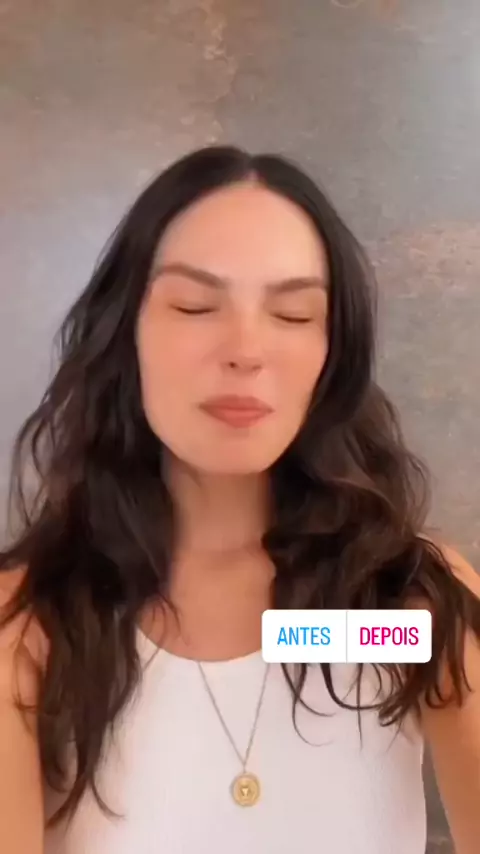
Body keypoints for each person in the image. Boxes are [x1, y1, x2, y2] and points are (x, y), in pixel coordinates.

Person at [0, 146, 479, 854]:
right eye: (195, 306)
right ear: (124, 333)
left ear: (333, 356)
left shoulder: (393, 611)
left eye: (292, 314)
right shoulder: (33, 628)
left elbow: (321, 639)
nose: (245, 350)